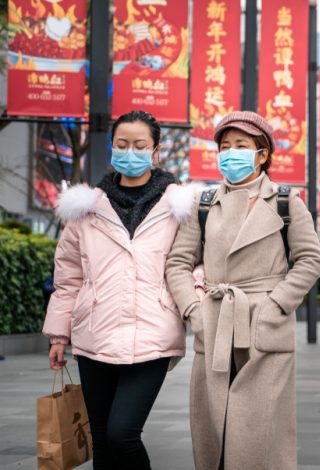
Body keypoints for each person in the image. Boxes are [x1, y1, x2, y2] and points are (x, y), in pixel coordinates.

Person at [165, 111, 320, 470]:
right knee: (214, 424)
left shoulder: (287, 202)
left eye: (241, 146)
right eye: (224, 147)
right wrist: (194, 310)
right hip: (217, 320)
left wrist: (275, 305)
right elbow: (177, 263)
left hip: (265, 323)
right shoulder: (203, 204)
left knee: (261, 428)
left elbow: (311, 260)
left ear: (262, 154)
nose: (230, 153)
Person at [42, 110, 194, 470]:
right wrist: (58, 335)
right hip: (95, 333)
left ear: (156, 151)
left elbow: (194, 264)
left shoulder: (179, 208)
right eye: (122, 144)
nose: (131, 152)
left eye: (140, 145)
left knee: (122, 433)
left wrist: (193, 303)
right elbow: (69, 277)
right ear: (112, 147)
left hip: (153, 333)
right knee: (101, 439)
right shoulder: (87, 209)